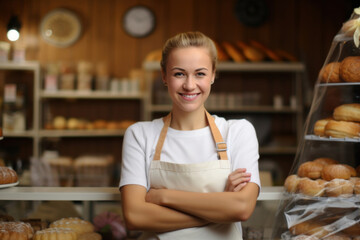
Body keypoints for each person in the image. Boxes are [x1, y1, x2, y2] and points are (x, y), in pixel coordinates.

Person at [119, 31, 260, 239]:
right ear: (164, 76)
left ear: (213, 75)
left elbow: (241, 209)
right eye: (179, 74)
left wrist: (164, 196)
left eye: (200, 74)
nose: (189, 85)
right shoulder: (140, 135)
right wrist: (221, 208)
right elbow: (135, 216)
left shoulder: (238, 131)